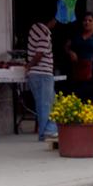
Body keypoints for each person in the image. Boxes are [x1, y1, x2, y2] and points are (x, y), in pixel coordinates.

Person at [26, 13, 58, 141]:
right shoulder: (44, 32)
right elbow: (39, 54)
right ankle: (46, 132)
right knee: (47, 104)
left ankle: (47, 131)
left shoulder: (34, 28)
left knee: (46, 103)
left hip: (37, 74)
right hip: (43, 74)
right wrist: (29, 65)